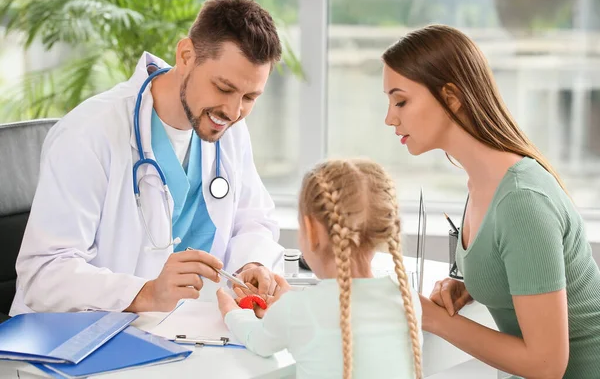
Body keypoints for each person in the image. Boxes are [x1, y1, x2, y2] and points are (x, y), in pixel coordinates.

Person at [10, 0, 285, 316]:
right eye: (223, 88)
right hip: (75, 339)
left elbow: (253, 219)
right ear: (186, 56)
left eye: (250, 97)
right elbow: (43, 273)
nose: (235, 111)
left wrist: (253, 262)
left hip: (178, 329)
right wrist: (145, 293)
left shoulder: (228, 126)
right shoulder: (89, 134)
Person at [382, 24, 600, 379]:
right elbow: (512, 258)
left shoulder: (521, 201)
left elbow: (547, 365)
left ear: (451, 96)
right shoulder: (483, 180)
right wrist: (471, 282)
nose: (390, 117)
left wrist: (434, 319)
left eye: (401, 100)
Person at [216, 159, 423, 379]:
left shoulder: (298, 310)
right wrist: (290, 302)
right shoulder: (408, 299)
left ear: (311, 229)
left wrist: (232, 312)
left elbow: (257, 340)